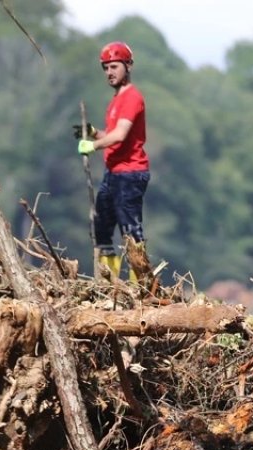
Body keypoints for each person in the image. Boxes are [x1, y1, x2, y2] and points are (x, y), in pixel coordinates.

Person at [74, 41, 150, 282]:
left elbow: (120, 135)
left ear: (128, 66)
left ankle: (141, 287)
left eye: (114, 66)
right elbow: (112, 135)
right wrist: (94, 132)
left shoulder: (132, 98)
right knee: (102, 229)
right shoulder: (116, 100)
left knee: (131, 233)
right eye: (106, 68)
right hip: (113, 173)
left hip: (130, 174)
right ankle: (109, 284)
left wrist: (92, 146)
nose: (109, 72)